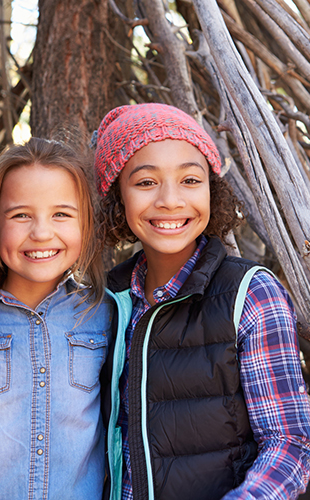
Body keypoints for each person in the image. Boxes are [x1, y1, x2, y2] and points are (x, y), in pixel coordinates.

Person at [93, 103, 310, 499]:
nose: (171, 201)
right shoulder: (105, 301)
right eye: (145, 183)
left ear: (213, 188)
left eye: (190, 180)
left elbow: (290, 444)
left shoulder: (250, 294)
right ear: (117, 197)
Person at [0, 139, 110, 499]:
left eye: (61, 214)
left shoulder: (105, 314)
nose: (41, 232)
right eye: (20, 215)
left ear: (86, 225)